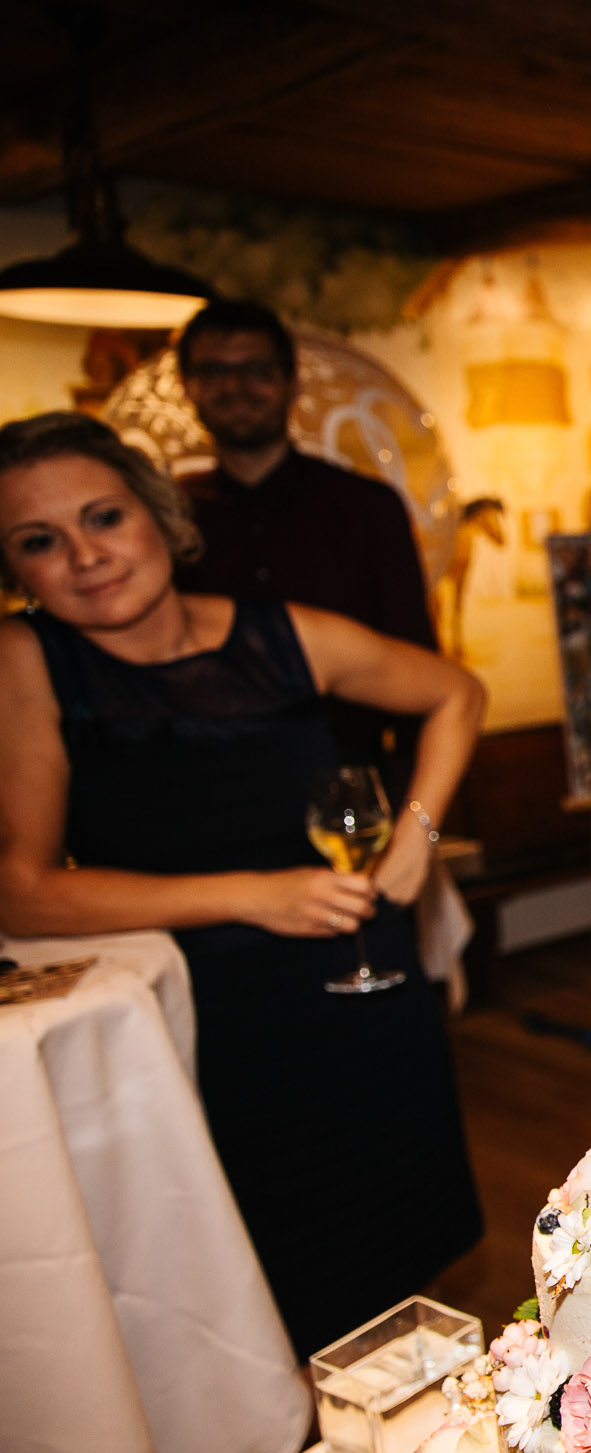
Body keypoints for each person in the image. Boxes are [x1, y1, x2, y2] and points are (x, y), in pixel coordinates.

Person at [0, 411, 485, 1359]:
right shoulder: (30, 660)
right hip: (199, 1013)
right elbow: (20, 894)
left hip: (358, 980)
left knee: (396, 1249)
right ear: (16, 571)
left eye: (103, 517)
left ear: (158, 516)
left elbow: (455, 694)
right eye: (39, 542)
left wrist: (418, 839)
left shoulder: (285, 636)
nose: (85, 556)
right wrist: (250, 894)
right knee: (259, 1282)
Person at [174, 297, 438, 790]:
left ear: (292, 383)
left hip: (348, 781)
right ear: (187, 387)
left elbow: (418, 661)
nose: (235, 387)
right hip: (210, 784)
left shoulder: (365, 507)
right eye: (214, 371)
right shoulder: (168, 519)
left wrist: (415, 815)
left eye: (256, 370)